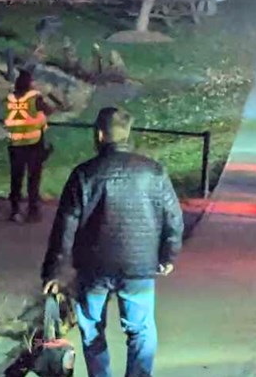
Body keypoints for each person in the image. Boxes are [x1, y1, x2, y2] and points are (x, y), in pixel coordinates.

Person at [41, 107, 183, 377]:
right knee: (140, 329)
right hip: (139, 265)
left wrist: (55, 271)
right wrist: (168, 256)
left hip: (94, 268)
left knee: (92, 327)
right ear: (127, 135)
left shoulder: (84, 174)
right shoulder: (153, 172)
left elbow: (65, 227)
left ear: (100, 134)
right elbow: (173, 219)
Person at [4, 68, 54, 223]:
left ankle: (15, 210)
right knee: (33, 180)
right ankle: (33, 211)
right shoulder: (35, 98)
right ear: (29, 83)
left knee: (16, 178)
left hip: (15, 143)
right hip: (33, 144)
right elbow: (49, 110)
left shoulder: (11, 98)